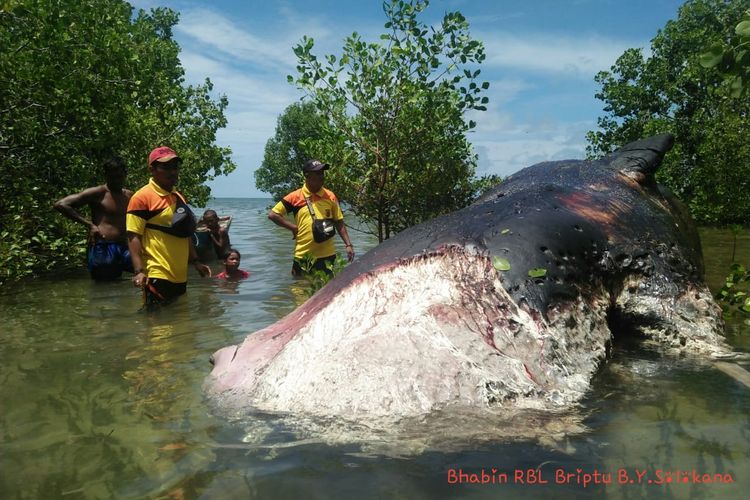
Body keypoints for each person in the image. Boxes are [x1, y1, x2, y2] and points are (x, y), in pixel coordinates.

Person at [126, 146, 211, 309]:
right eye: (165, 167)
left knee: (181, 326)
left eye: (175, 167)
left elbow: (184, 233)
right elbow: (133, 235)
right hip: (157, 272)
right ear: (152, 169)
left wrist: (196, 262)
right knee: (157, 327)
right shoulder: (142, 197)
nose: (172, 172)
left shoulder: (178, 196)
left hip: (180, 275)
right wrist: (138, 271)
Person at [268, 159, 354, 276]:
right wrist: (293, 227)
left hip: (327, 256)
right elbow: (273, 215)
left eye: (322, 173)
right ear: (307, 175)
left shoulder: (330, 196)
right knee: (300, 290)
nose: (321, 176)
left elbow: (339, 222)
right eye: (318, 173)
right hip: (304, 255)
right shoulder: (295, 196)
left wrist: (348, 245)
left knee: (327, 291)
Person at [53, 156, 134, 281]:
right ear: (106, 176)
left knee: (143, 273)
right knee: (105, 286)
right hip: (103, 247)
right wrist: (90, 225)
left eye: (119, 176)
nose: (116, 180)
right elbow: (61, 204)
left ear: (125, 174)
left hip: (124, 246)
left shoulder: (130, 195)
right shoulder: (98, 193)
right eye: (112, 177)